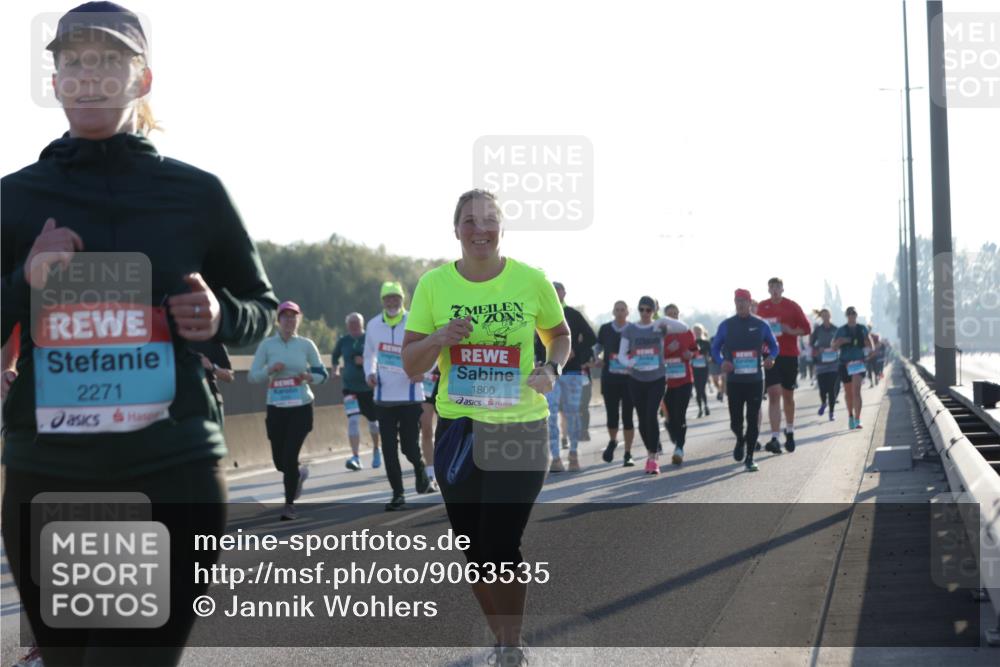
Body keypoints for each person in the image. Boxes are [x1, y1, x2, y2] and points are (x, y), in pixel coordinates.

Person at [1, 4, 278, 663]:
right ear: (56, 81)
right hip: (51, 474)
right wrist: (26, 279)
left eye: (109, 61)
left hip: (168, 466)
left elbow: (261, 307)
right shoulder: (13, 199)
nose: (90, 76)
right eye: (74, 62)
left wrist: (219, 317)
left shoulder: (195, 192)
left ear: (142, 79)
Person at [401, 189, 569, 664]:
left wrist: (551, 369)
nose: (480, 229)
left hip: (520, 428)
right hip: (459, 431)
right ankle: (502, 639)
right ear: (455, 230)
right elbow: (412, 364)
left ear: (502, 227)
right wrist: (438, 337)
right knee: (474, 550)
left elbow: (559, 335)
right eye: (470, 221)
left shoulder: (530, 279)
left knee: (500, 542)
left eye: (489, 219)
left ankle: (512, 646)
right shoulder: (434, 285)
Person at [249, 301, 328, 520]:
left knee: (290, 454)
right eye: (285, 317)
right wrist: (270, 370)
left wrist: (309, 377)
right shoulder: (267, 346)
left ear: (298, 320)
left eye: (293, 317)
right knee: (280, 461)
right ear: (278, 320)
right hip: (276, 406)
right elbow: (252, 376)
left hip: (301, 407)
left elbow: (323, 375)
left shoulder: (306, 345)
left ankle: (289, 505)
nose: (289, 321)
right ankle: (298, 473)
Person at [364, 280, 431, 510]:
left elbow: (431, 350)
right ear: (382, 301)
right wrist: (369, 373)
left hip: (410, 396)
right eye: (388, 298)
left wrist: (424, 371)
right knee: (389, 449)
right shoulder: (373, 325)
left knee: (409, 447)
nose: (392, 302)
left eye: (396, 297)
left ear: (403, 300)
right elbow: (368, 356)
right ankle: (398, 494)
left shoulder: (415, 321)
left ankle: (420, 467)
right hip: (383, 398)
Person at [618, 296, 689, 475]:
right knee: (642, 419)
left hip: (657, 378)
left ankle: (652, 457)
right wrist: (631, 362)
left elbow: (684, 328)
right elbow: (621, 355)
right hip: (636, 379)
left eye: (648, 310)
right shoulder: (630, 329)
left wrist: (662, 319)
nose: (644, 313)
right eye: (641, 309)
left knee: (651, 415)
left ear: (653, 311)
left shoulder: (660, 327)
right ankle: (651, 448)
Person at [711, 289, 779, 472]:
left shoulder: (761, 324)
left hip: (755, 379)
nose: (740, 304)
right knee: (735, 420)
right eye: (737, 301)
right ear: (734, 303)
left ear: (750, 303)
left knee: (752, 417)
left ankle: (749, 457)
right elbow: (715, 348)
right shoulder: (726, 325)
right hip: (734, 380)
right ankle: (740, 439)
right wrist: (721, 361)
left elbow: (774, 346)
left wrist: (771, 358)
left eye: (743, 301)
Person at [540, 281, 596, 472]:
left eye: (558, 290)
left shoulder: (573, 314)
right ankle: (555, 457)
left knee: (572, 412)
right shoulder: (541, 313)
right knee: (551, 414)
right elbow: (535, 342)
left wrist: (574, 350)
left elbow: (591, 338)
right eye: (552, 290)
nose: (556, 293)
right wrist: (540, 361)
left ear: (564, 293)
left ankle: (573, 452)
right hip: (551, 372)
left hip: (572, 371)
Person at [755, 277, 812, 454]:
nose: (774, 289)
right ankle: (774, 437)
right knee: (773, 394)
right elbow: (754, 329)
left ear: (782, 289)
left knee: (788, 396)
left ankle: (789, 430)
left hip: (789, 355)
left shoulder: (792, 306)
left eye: (777, 286)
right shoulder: (761, 307)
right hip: (770, 356)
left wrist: (790, 331)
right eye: (771, 286)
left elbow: (806, 329)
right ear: (768, 289)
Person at [331, 312, 381, 470]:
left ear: (362, 324)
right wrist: (335, 369)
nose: (354, 326)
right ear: (347, 325)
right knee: (353, 421)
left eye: (356, 323)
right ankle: (355, 457)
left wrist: (365, 361)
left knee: (373, 423)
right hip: (350, 389)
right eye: (351, 323)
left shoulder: (369, 338)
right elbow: (334, 356)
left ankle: (376, 449)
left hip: (368, 388)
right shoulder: (343, 341)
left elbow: (380, 357)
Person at [594, 301, 637, 466]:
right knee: (612, 415)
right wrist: (596, 358)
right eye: (617, 310)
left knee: (628, 416)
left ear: (627, 312)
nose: (619, 313)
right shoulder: (605, 328)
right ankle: (613, 441)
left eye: (622, 310)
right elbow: (597, 347)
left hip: (629, 379)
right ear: (613, 312)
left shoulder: (633, 329)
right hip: (610, 378)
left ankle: (628, 453)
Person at [662, 304, 698, 465]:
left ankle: (679, 448)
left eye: (675, 314)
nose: (673, 317)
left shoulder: (686, 332)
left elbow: (696, 351)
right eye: (669, 315)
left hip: (684, 380)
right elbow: (653, 355)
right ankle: (671, 429)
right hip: (666, 382)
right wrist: (668, 350)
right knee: (671, 417)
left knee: (680, 414)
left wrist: (690, 354)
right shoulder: (660, 334)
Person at [832, 306, 874, 430]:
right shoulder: (841, 330)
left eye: (853, 313)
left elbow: (869, 341)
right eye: (849, 313)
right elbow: (834, 346)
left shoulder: (862, 329)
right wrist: (841, 342)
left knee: (856, 391)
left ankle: (857, 419)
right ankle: (850, 415)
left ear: (856, 315)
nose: (851, 315)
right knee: (848, 392)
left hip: (858, 363)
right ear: (847, 316)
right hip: (845, 363)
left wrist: (870, 351)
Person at [810, 308, 841, 420]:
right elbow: (811, 343)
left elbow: (840, 342)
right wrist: (819, 348)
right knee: (822, 389)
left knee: (832, 388)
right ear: (821, 317)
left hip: (833, 362)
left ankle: (831, 413)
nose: (825, 317)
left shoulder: (836, 329)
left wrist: (836, 346)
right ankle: (824, 403)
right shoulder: (818, 330)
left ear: (830, 316)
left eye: (827, 315)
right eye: (823, 316)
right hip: (821, 363)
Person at [419, 363, 440, 492]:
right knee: (426, 429)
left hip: (447, 380)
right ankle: (431, 474)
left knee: (446, 430)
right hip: (427, 381)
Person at [691, 324, 712, 418]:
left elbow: (710, 354)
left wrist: (707, 357)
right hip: (694, 369)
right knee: (697, 389)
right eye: (695, 330)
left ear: (702, 331)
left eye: (698, 330)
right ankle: (700, 408)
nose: (697, 332)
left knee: (702, 388)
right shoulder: (691, 342)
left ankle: (706, 406)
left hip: (704, 368)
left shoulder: (706, 342)